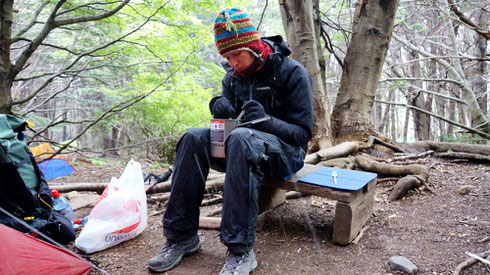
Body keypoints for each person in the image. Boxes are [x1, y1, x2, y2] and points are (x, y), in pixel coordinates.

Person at [147, 7, 313, 274]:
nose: (232, 63)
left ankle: (240, 249)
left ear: (254, 46)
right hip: (242, 148)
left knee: (242, 139)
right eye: (226, 57)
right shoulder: (232, 78)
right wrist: (222, 110)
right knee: (193, 137)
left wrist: (267, 121)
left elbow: (302, 135)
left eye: (236, 55)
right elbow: (232, 129)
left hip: (286, 154)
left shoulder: (292, 73)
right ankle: (181, 237)